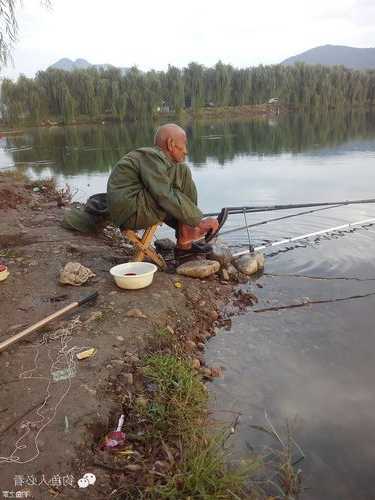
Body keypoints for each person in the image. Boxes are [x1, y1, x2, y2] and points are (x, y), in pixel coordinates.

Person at [106, 123, 219, 252]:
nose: (186, 151)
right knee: (180, 171)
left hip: (131, 210)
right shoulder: (151, 157)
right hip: (130, 213)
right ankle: (186, 235)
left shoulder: (154, 159)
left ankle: (186, 234)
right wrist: (199, 221)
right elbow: (163, 195)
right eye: (184, 144)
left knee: (178, 173)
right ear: (171, 144)